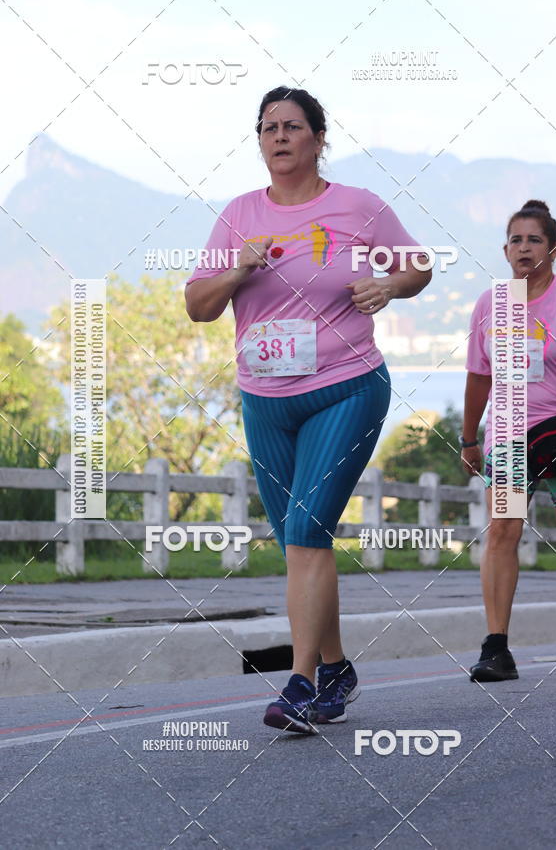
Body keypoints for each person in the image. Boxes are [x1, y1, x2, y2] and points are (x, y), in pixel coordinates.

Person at [185, 85, 431, 732]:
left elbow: (419, 267)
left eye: (293, 127)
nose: (280, 137)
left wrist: (389, 283)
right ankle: (337, 669)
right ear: (259, 141)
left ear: (320, 139)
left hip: (346, 386)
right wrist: (237, 269)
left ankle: (297, 683)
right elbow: (199, 305)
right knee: (303, 540)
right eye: (268, 128)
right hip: (265, 397)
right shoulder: (238, 214)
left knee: (304, 530)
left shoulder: (358, 207)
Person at [461, 199, 556, 681]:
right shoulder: (489, 305)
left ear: (553, 249)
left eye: (534, 239)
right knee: (503, 530)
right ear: (504, 250)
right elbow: (479, 377)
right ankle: (496, 647)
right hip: (508, 437)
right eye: (516, 239)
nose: (524, 247)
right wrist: (468, 438)